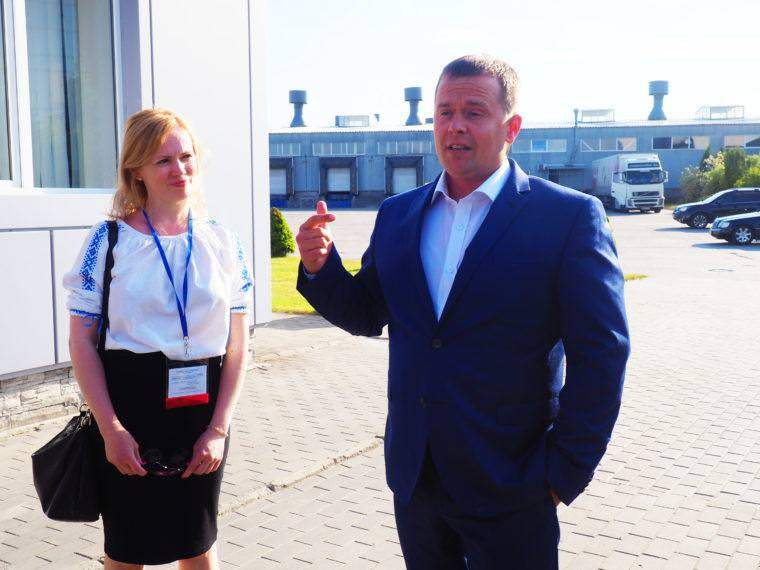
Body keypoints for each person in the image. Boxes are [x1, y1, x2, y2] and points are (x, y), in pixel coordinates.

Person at [296, 55, 630, 569]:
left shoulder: (567, 217)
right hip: (417, 479)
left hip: (513, 484)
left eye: (474, 112)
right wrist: (322, 268)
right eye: (444, 112)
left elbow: (602, 354)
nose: (455, 126)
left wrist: (564, 472)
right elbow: (367, 313)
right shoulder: (398, 214)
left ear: (511, 127)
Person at [64, 108, 252, 569]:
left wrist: (218, 429)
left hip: (202, 414)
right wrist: (111, 430)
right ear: (137, 171)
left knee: (199, 541)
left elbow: (237, 347)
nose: (179, 169)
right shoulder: (109, 241)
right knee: (127, 548)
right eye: (163, 160)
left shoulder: (222, 241)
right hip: (130, 413)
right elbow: (81, 343)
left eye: (186, 156)